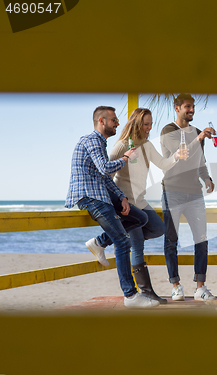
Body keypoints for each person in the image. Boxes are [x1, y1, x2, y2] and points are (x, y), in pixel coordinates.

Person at [65, 106, 158, 308]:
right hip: (90, 197)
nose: (117, 123)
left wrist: (121, 197)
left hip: (102, 194)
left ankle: (99, 242)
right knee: (123, 242)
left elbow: (104, 178)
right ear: (101, 121)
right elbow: (105, 168)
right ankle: (131, 296)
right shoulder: (91, 140)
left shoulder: (100, 143)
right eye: (113, 120)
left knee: (140, 218)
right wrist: (125, 158)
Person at [87, 108, 182, 304]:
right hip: (126, 204)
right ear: (137, 124)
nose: (149, 128)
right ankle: (146, 292)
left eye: (151, 125)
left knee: (159, 228)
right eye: (146, 124)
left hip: (141, 200)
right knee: (137, 244)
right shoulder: (122, 145)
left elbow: (163, 164)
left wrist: (177, 156)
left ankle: (103, 240)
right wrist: (113, 203)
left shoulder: (147, 145)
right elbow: (106, 176)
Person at [160, 93, 216, 302]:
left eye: (193, 107)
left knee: (201, 239)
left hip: (195, 193)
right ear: (177, 108)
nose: (191, 110)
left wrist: (207, 179)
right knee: (171, 240)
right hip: (172, 192)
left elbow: (199, 162)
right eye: (187, 106)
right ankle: (176, 286)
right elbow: (181, 153)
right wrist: (199, 139)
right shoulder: (168, 131)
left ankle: (200, 287)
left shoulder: (198, 132)